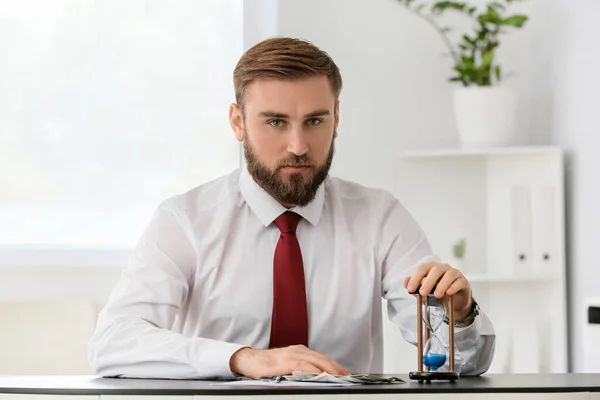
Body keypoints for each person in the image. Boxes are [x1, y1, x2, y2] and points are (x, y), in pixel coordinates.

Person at [87, 36, 495, 380]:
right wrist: (244, 358)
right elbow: (113, 343)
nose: (298, 146)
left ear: (337, 118)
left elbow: (459, 366)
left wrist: (459, 316)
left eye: (315, 121)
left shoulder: (380, 217)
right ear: (237, 123)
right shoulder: (185, 221)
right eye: (276, 122)